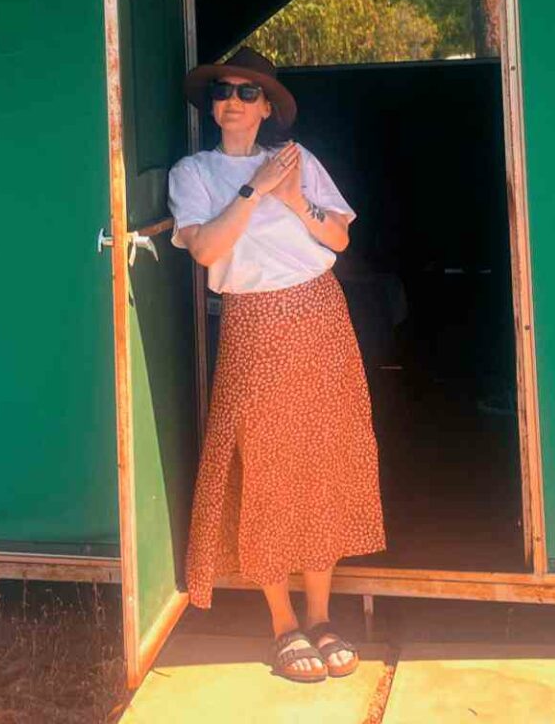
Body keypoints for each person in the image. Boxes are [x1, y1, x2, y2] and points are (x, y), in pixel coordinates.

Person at [169, 46, 386, 684]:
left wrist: (292, 197)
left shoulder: (299, 161)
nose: (231, 100)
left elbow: (339, 237)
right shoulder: (194, 172)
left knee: (322, 456)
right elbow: (206, 248)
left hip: (319, 310)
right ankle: (282, 624)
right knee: (262, 463)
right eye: (223, 92)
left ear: (267, 108)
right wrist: (252, 189)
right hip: (256, 319)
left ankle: (321, 617)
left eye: (245, 92)